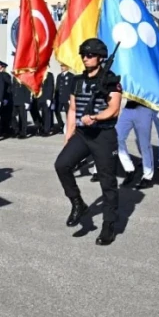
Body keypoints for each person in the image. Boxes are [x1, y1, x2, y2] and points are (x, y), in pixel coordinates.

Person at [54, 38, 121, 247]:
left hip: (103, 135)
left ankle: (108, 225)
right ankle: (78, 203)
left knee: (107, 182)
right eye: (83, 54)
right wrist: (68, 135)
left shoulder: (110, 79)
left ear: (100, 57)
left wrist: (96, 117)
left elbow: (114, 109)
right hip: (82, 134)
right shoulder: (77, 81)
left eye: (90, 55)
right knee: (62, 164)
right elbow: (73, 109)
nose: (85, 58)